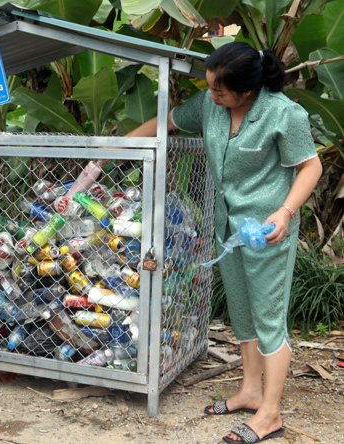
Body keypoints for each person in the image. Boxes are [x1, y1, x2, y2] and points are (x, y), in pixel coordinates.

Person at [118, 42, 322, 443]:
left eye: (219, 90)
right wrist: (114, 148)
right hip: (227, 227)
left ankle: (270, 414)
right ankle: (249, 391)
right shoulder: (210, 105)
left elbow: (310, 166)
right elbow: (169, 121)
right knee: (243, 313)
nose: (211, 95)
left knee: (268, 319)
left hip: (267, 230)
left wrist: (284, 212)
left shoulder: (284, 113)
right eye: (210, 86)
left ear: (247, 91)